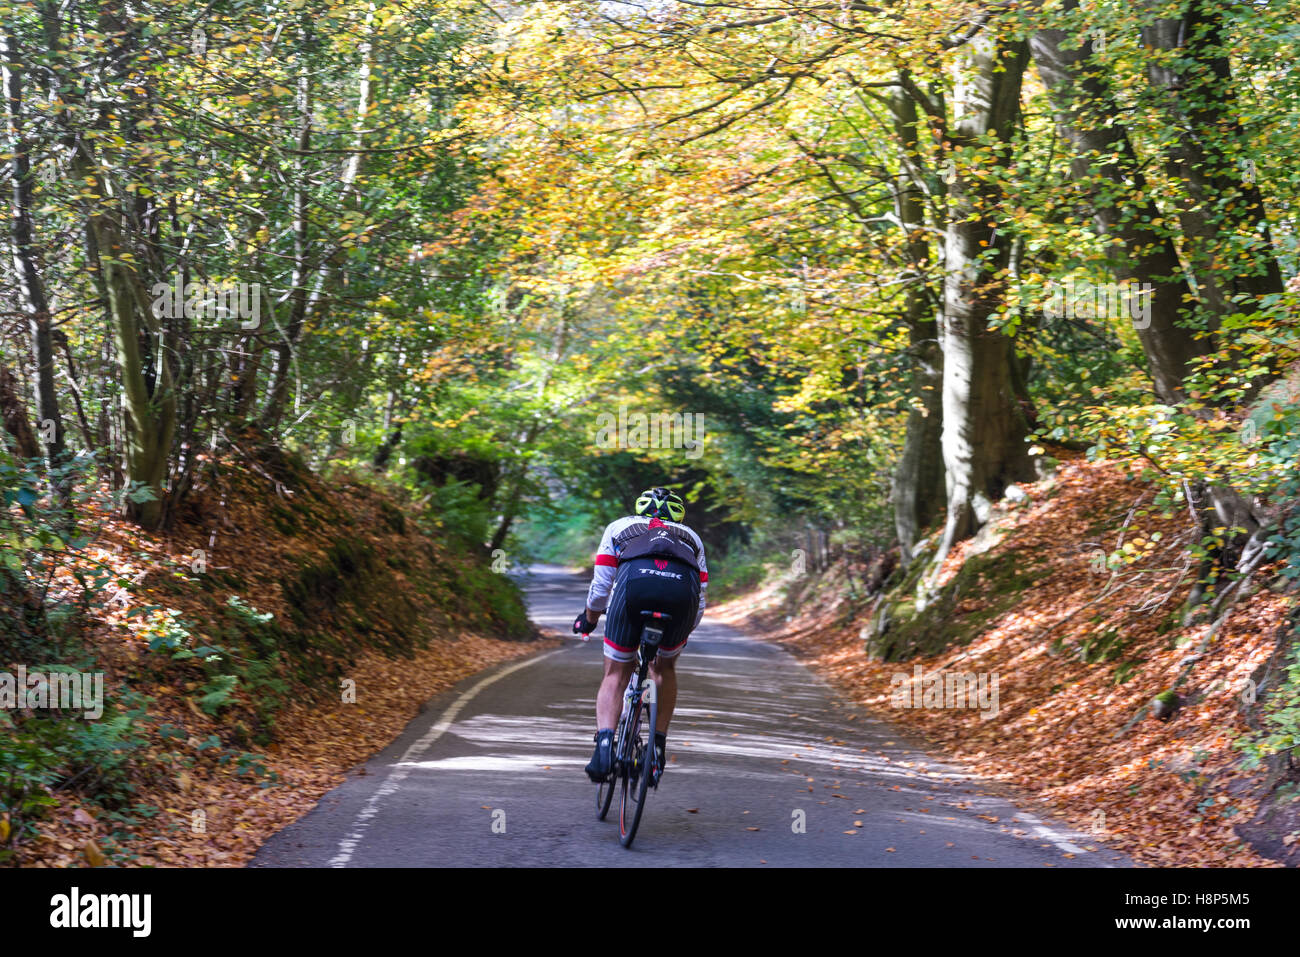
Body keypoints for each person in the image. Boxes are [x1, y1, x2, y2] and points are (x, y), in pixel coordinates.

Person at [573, 486, 707, 785]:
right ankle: (656, 749)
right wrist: (682, 632)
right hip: (679, 604)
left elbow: (601, 587)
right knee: (664, 669)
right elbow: (700, 598)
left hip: (631, 597)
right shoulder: (692, 538)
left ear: (639, 507)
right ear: (680, 514)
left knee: (616, 674)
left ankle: (605, 746)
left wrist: (590, 619)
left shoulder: (619, 527)